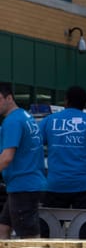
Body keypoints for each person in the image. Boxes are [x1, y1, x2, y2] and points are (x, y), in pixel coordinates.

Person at [39, 85, 86, 239]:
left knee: (49, 232)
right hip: (85, 185)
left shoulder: (49, 121)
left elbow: (34, 147)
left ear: (66, 101)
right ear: (85, 104)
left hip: (56, 184)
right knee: (85, 233)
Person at [0, 82, 46, 239]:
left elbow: (6, 158)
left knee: (29, 239)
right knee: (3, 227)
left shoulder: (12, 121)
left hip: (23, 185)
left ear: (9, 98)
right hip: (26, 183)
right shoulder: (25, 116)